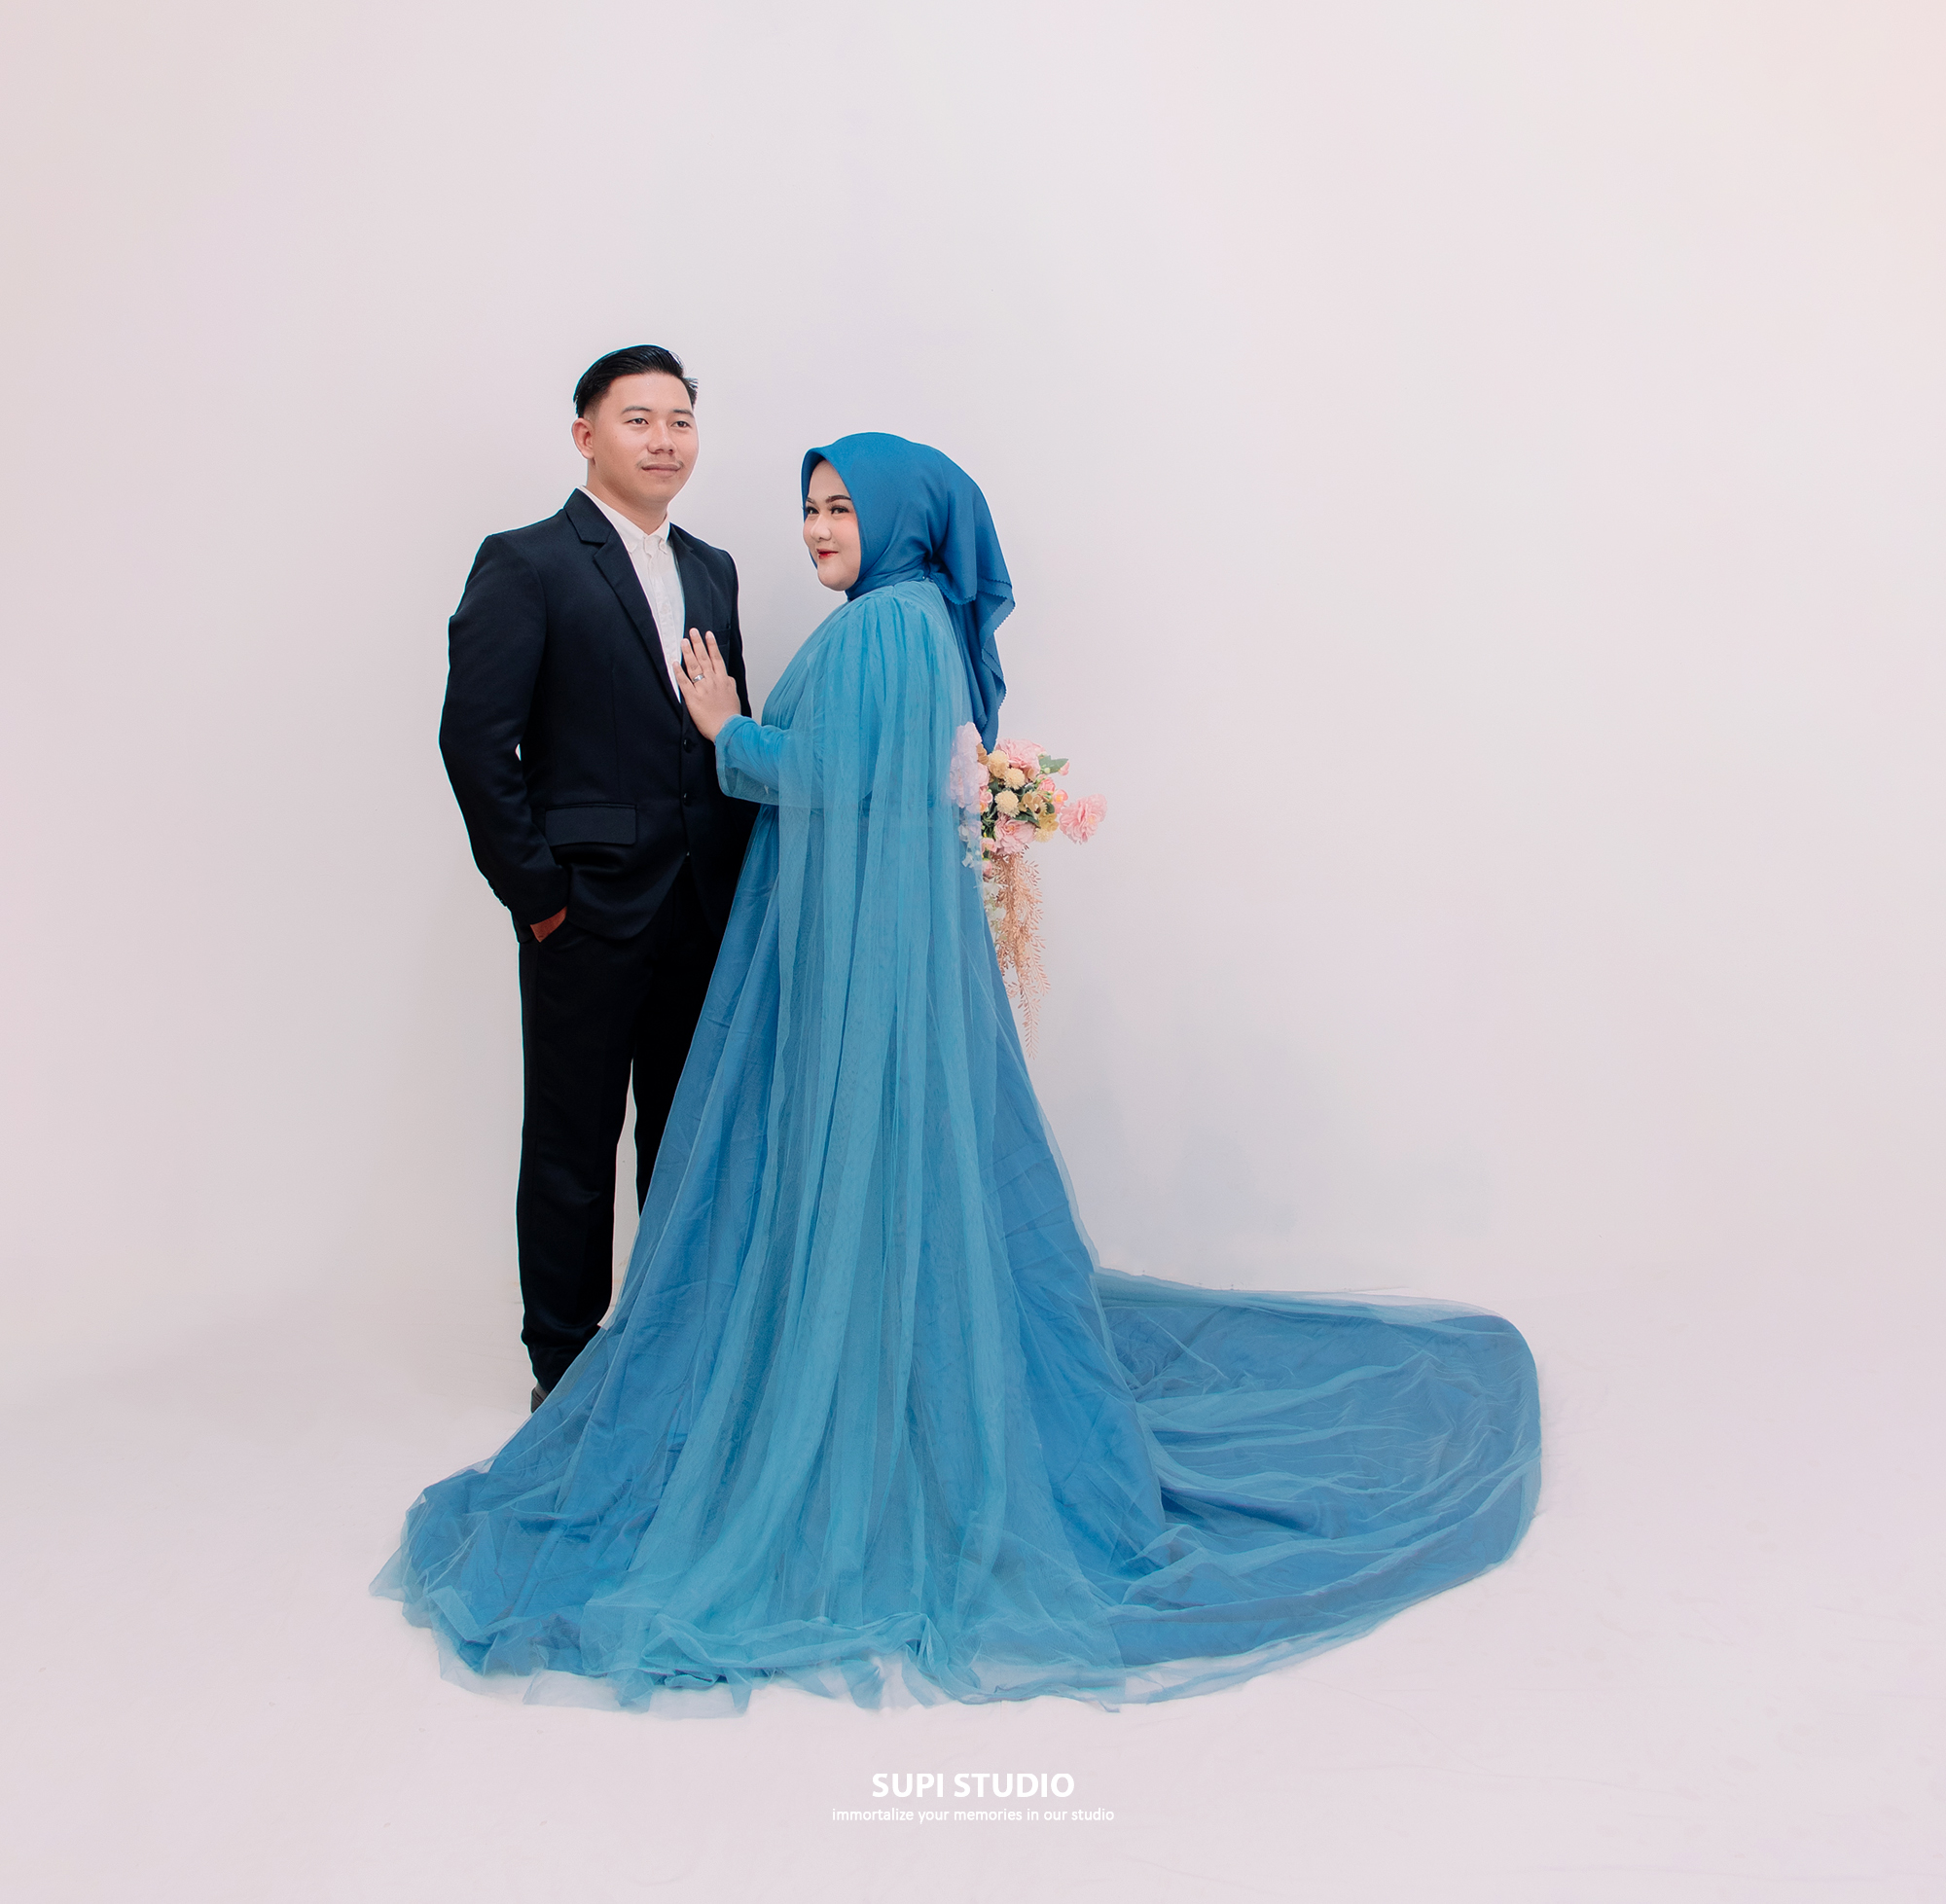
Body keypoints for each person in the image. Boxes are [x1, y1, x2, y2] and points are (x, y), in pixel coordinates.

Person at [380, 433, 1539, 1706]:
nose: (816, 528)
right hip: (854, 945)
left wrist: (726, 730)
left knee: (846, 1172)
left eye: (840, 508)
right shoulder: (906, 616)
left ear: (901, 518)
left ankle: (849, 1398)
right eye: (808, 507)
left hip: (857, 957)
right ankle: (870, 1374)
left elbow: (838, 778)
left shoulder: (889, 624)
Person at [436, 344, 755, 1408]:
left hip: (701, 905)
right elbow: (475, 743)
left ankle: (669, 1344)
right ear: (586, 434)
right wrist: (540, 898)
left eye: (680, 421)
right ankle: (563, 1369)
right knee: (572, 1145)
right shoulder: (525, 562)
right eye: (638, 419)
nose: (664, 440)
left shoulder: (713, 567)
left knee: (686, 1138)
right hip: (582, 911)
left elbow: (720, 736)